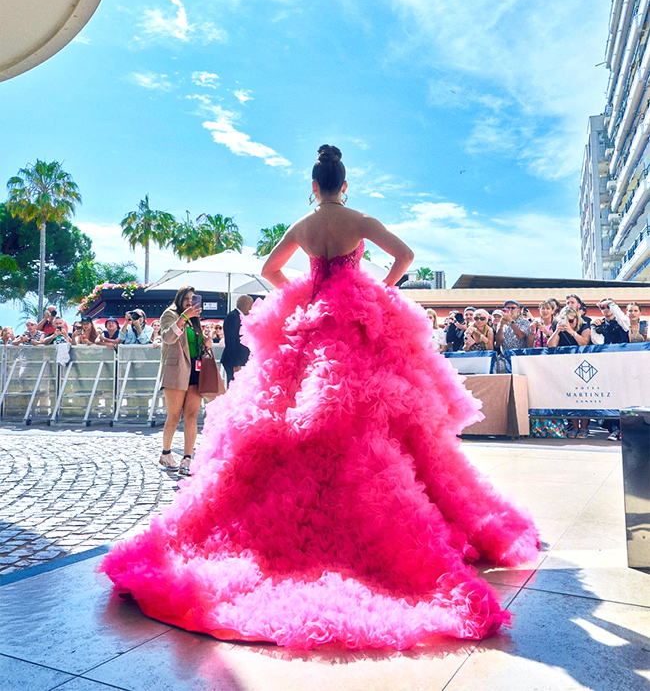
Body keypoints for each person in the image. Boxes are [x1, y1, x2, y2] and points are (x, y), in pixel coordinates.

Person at [101, 144, 538, 650]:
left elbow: (270, 268)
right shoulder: (360, 219)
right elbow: (406, 257)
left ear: (313, 187)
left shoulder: (304, 228)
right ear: (344, 185)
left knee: (285, 414)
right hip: (354, 322)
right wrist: (378, 286)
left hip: (310, 324)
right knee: (374, 416)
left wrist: (305, 291)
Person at [157, 287, 212, 477]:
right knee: (173, 415)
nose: (190, 302)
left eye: (193, 298)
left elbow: (193, 345)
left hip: (196, 372)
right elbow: (167, 337)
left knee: (192, 415)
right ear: (179, 299)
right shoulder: (170, 314)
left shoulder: (196, 319)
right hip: (176, 371)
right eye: (187, 298)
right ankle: (166, 453)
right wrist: (183, 318)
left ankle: (187, 458)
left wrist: (206, 342)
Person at [548, 306, 591, 439]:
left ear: (577, 319)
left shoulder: (584, 326)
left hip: (583, 363)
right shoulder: (558, 327)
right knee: (570, 395)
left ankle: (584, 427)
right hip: (565, 364)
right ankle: (575, 426)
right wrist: (557, 331)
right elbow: (551, 345)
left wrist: (572, 331)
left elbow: (584, 343)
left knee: (584, 396)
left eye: (571, 320)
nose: (568, 323)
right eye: (566, 321)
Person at [221, 295, 253, 385]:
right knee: (234, 387)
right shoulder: (233, 317)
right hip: (234, 361)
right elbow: (231, 342)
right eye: (251, 305)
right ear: (246, 304)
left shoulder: (239, 317)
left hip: (242, 359)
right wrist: (236, 364)